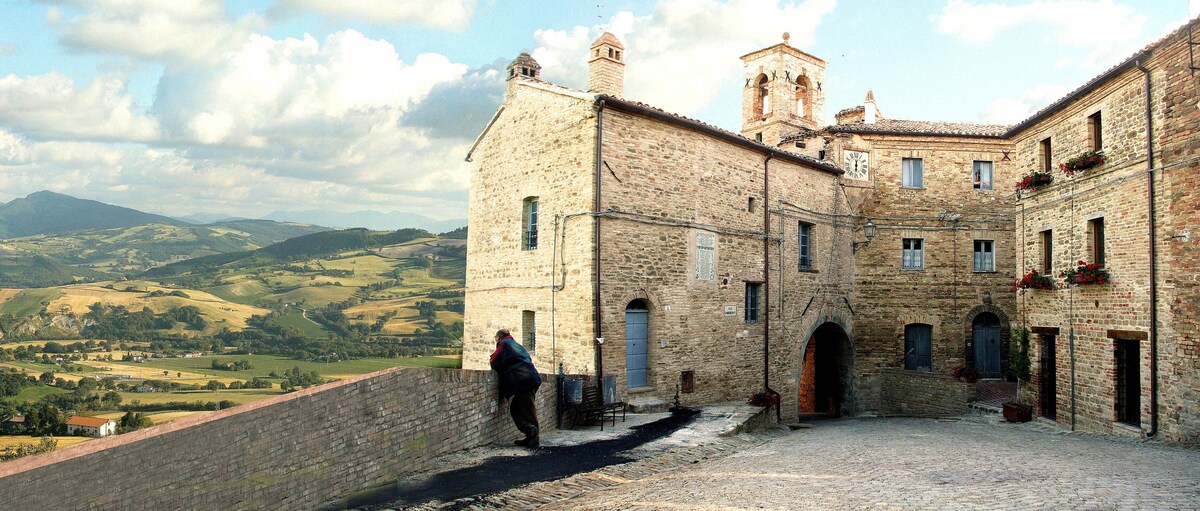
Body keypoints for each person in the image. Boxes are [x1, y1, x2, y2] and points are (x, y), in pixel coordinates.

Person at [489, 328, 542, 447]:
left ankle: (531, 432)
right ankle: (531, 437)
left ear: (498, 337)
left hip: (522, 380)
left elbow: (494, 360)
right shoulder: (517, 345)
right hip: (532, 377)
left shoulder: (504, 345)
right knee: (526, 407)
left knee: (519, 409)